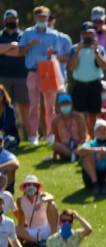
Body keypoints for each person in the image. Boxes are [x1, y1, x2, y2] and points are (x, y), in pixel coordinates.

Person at [18, 6, 61, 145]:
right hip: (33, 71)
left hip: (48, 71)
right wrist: (29, 45)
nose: (42, 19)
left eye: (45, 17)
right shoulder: (28, 33)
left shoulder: (54, 34)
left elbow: (57, 52)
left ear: (48, 18)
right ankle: (33, 135)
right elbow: (21, 52)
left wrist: (51, 53)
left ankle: (50, 134)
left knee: (50, 106)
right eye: (40, 17)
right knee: (34, 106)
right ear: (35, 18)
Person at [68, 21, 106, 135]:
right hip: (79, 84)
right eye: (86, 33)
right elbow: (71, 67)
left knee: (93, 114)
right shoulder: (74, 49)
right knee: (80, 114)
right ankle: (82, 137)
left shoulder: (99, 49)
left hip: (94, 84)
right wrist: (77, 51)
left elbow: (103, 65)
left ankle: (93, 137)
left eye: (90, 33)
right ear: (82, 34)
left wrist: (96, 52)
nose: (88, 36)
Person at [0, 9, 30, 140]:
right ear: (4, 21)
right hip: (3, 77)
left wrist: (5, 49)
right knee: (4, 107)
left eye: (13, 19)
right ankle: (5, 136)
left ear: (17, 20)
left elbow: (22, 52)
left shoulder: (24, 35)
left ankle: (29, 137)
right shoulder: (0, 35)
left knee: (25, 107)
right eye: (8, 19)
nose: (11, 21)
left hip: (21, 76)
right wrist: (12, 46)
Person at [77, 119, 106, 195]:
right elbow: (80, 151)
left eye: (105, 129)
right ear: (95, 132)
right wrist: (96, 150)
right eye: (99, 129)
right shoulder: (91, 143)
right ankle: (95, 184)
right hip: (92, 177)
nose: (102, 131)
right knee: (87, 155)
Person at [14, 175, 58, 247]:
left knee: (52, 205)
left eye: (33, 184)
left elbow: (51, 197)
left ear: (37, 187)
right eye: (28, 184)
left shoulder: (43, 195)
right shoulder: (20, 200)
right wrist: (20, 234)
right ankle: (40, 243)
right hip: (32, 231)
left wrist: (41, 201)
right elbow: (21, 220)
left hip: (46, 228)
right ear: (24, 187)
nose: (30, 187)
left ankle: (54, 239)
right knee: (14, 229)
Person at [50, 93, 87, 162]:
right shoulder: (55, 121)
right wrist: (54, 154)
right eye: (63, 104)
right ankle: (73, 156)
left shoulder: (79, 117)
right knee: (54, 145)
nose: (65, 106)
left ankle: (73, 155)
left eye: (67, 103)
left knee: (85, 145)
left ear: (71, 104)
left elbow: (83, 137)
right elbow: (57, 139)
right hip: (65, 147)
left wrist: (78, 147)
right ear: (59, 106)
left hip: (78, 144)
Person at [0, 84, 19, 150]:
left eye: (0, 94)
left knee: (9, 140)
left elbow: (10, 125)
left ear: (3, 95)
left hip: (9, 136)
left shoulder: (9, 108)